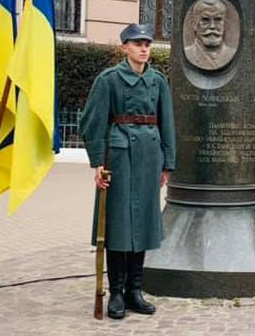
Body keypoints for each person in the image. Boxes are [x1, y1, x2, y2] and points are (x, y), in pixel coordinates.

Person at [80, 23, 176, 319]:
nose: (144, 48)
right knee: (118, 226)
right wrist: (98, 162)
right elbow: (92, 122)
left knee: (145, 224)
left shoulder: (158, 81)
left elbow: (167, 122)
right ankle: (117, 293)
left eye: (147, 43)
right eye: (137, 43)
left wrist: (167, 163)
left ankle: (136, 291)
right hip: (118, 160)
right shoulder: (109, 80)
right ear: (125, 48)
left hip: (149, 157)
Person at [184, 0, 236, 70]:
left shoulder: (232, 54)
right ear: (194, 24)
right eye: (206, 20)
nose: (212, 26)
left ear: (224, 24)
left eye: (218, 20)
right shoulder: (188, 54)